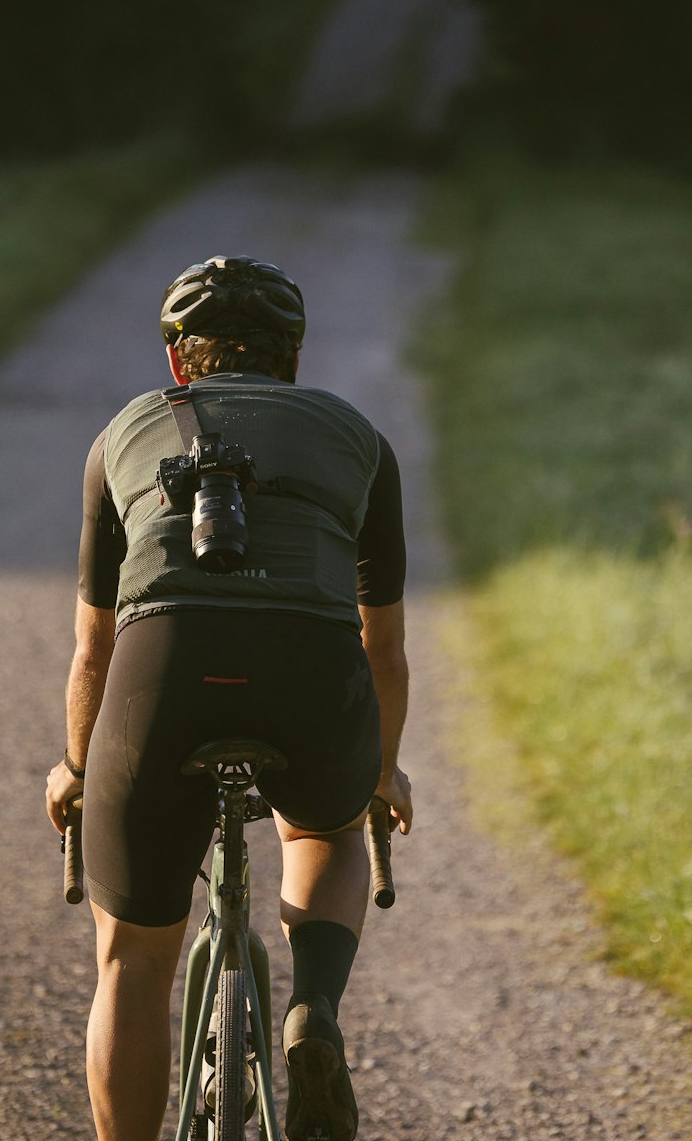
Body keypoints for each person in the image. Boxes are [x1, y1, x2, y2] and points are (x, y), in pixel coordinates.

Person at [44, 255, 412, 1141]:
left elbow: (93, 647)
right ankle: (312, 1007)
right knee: (322, 828)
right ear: (291, 356)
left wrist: (76, 765)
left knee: (131, 960)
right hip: (311, 676)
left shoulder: (125, 432)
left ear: (178, 361)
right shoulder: (358, 436)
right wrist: (382, 770)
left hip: (159, 675)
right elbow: (384, 643)